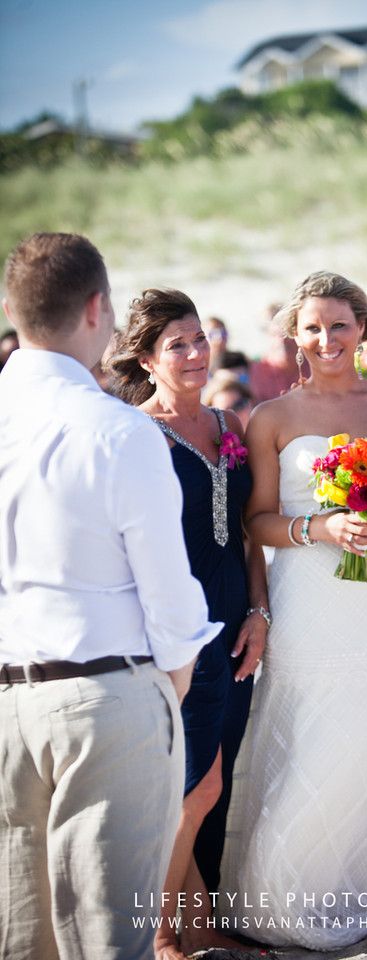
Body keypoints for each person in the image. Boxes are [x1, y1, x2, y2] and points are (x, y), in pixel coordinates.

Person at [0, 233, 219, 960]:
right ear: (98, 308)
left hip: (5, 701)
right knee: (107, 939)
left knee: (21, 935)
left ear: (12, 310)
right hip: (106, 696)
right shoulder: (118, 430)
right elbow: (169, 594)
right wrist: (172, 685)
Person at [219, 271, 367, 949]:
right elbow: (258, 522)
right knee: (309, 738)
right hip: (309, 598)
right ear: (294, 335)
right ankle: (276, 894)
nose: (325, 338)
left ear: (363, 328)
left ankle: (355, 886)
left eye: (339, 324)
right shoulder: (272, 417)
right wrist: (322, 531)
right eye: (311, 327)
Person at [109, 288, 269, 960]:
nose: (198, 352)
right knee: (192, 785)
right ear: (147, 360)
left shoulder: (231, 427)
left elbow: (250, 534)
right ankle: (160, 933)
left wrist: (260, 612)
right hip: (174, 632)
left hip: (235, 620)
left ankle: (198, 922)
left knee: (211, 783)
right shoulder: (135, 434)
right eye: (178, 343)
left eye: (200, 338)